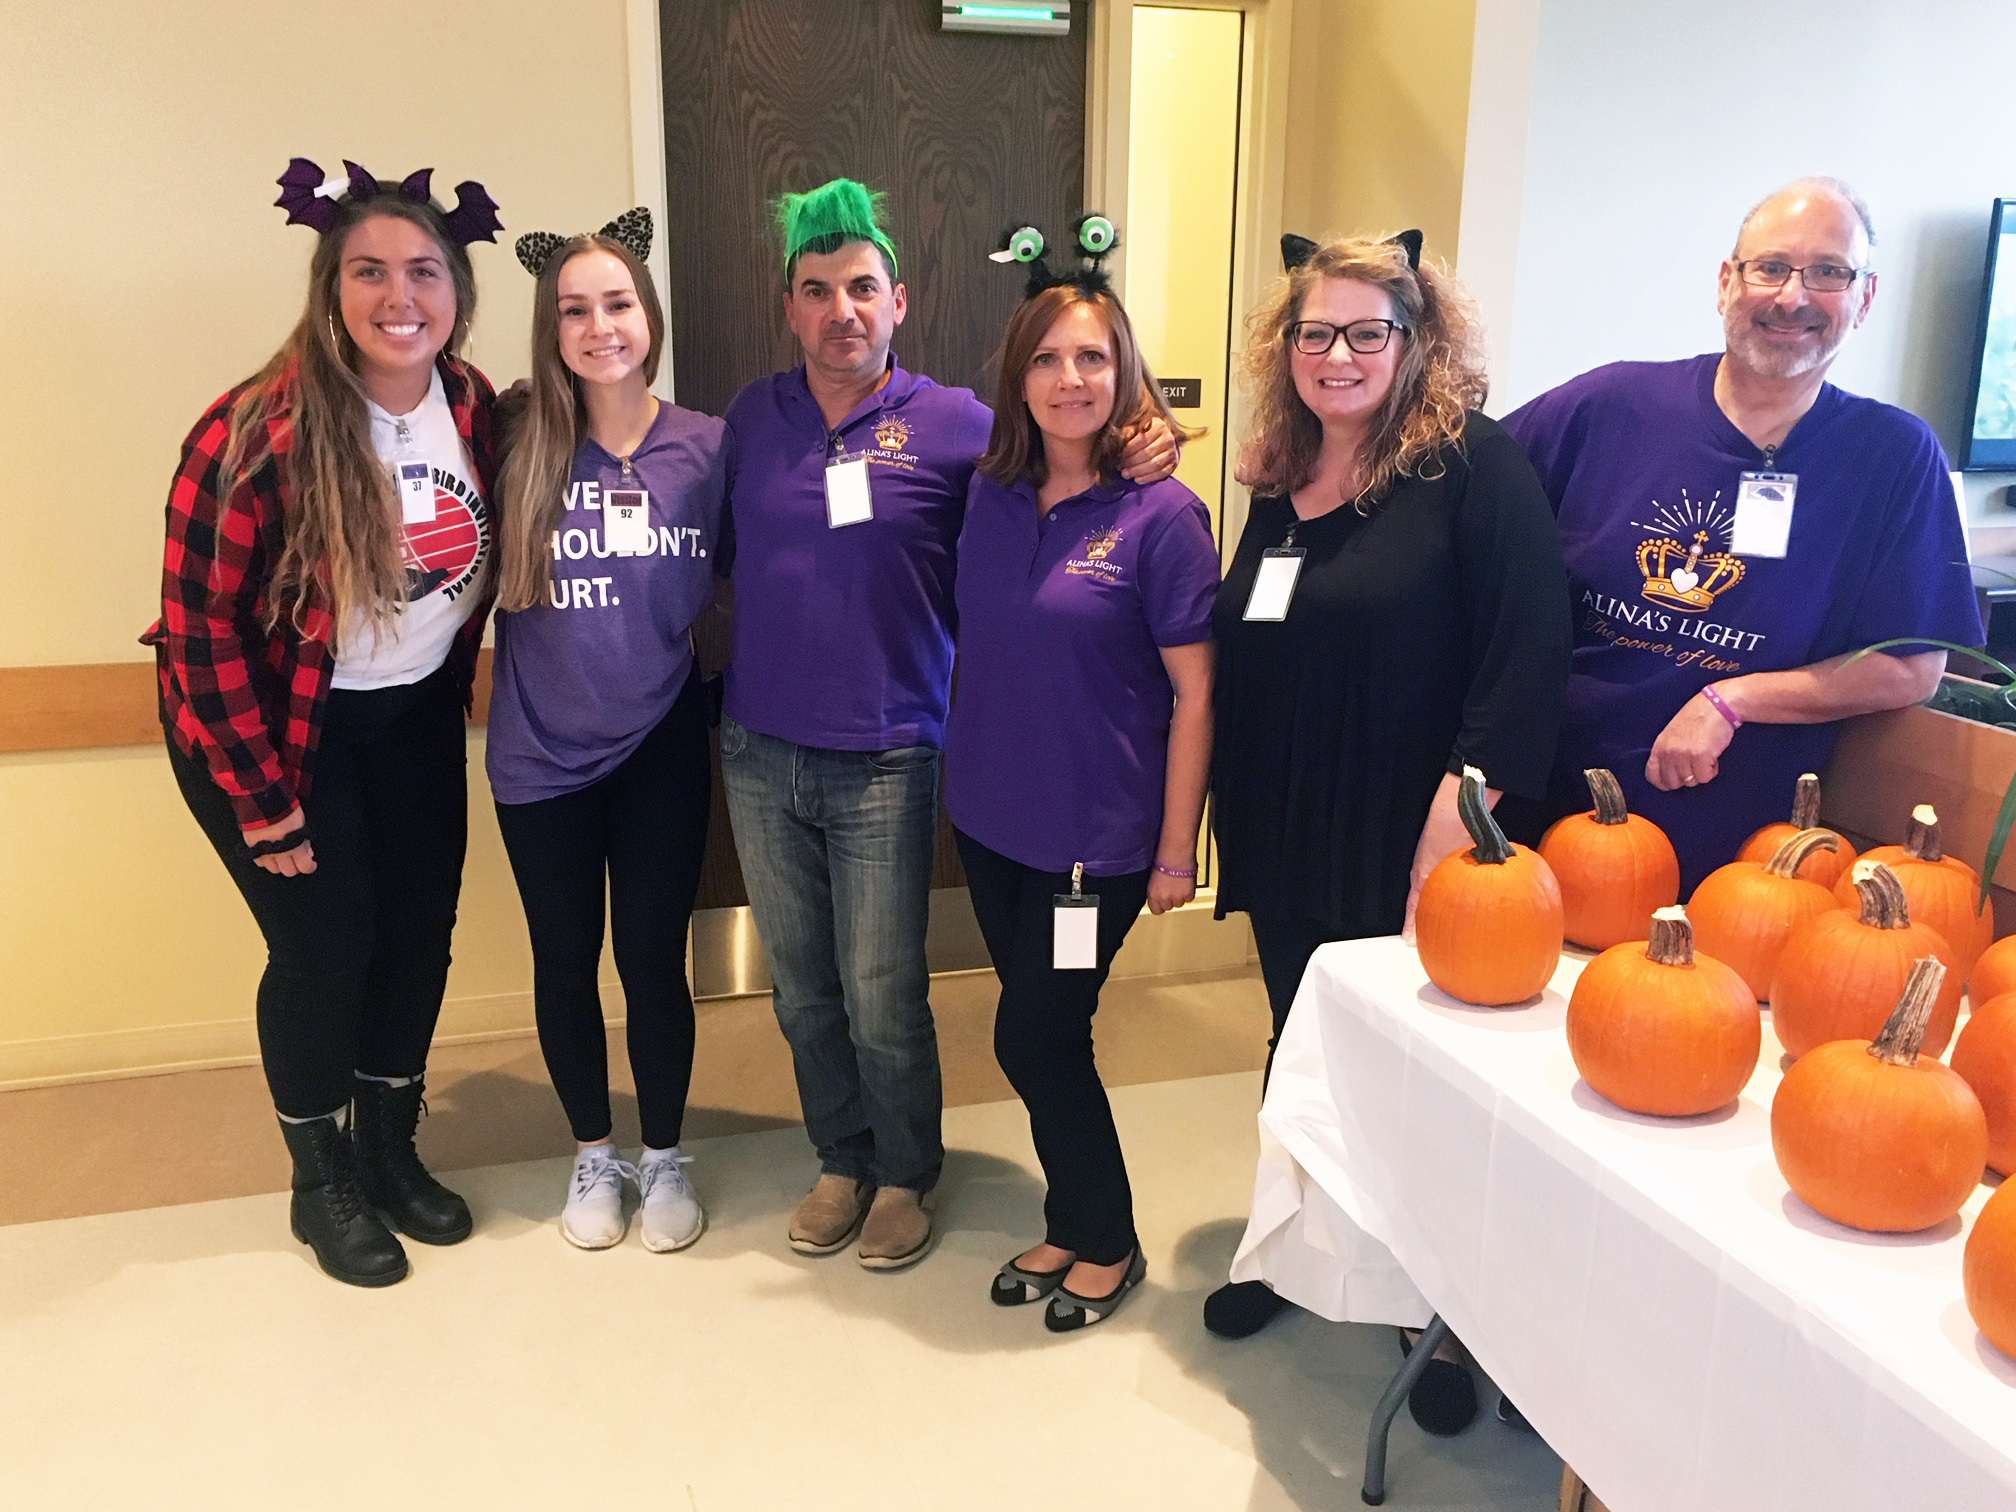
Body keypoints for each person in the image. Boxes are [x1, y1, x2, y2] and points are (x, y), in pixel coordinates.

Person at [717, 179, 1176, 1271]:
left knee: (883, 993)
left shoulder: (960, 425)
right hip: (758, 749)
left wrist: (1139, 438)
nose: (841, 311)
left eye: (861, 288)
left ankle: (904, 1174)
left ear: (901, 301)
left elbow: (1063, 466)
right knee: (802, 989)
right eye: (816, 290)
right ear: (789, 308)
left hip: (890, 752)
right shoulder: (750, 419)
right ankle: (842, 1157)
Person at [1203, 231, 1573, 1433]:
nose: (1339, 354)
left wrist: (1462, 812)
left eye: (1369, 331)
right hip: (1286, 818)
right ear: (1286, 346)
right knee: (1299, 1040)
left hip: (1409, 833)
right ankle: (1291, 1247)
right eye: (1316, 332)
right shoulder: (1282, 471)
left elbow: (1527, 651)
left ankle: (1438, 1316)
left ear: (1417, 340)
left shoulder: (1473, 468)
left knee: (1415, 1076)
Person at [143, 158, 504, 1287]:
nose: (400, 295)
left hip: (412, 716)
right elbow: (199, 632)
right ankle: (323, 1182)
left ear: (456, 292)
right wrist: (263, 801)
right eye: (370, 271)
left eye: (424, 271)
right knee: (324, 945)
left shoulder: (473, 406)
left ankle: (389, 1151)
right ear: (329, 289)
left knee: (418, 933)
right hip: (275, 729)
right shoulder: (253, 430)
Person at [1501, 177, 1982, 889]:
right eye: (1771, 267)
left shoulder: (1894, 457)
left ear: (1865, 298)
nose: (1792, 296)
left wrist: (1734, 698)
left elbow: (1911, 666)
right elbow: (1461, 496)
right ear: (1727, 282)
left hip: (1733, 861)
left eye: (1828, 272)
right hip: (1529, 813)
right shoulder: (1607, 405)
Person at [946, 227, 1219, 1331]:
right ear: (1019, 377)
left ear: (1125, 372)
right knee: (1047, 1035)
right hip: (989, 822)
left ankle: (1108, 1238)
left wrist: (1176, 850)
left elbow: (1197, 696)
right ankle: (1070, 1223)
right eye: (1049, 359)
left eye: (1094, 358)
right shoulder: (988, 493)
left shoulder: (1163, 516)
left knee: (1036, 1036)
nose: (1071, 379)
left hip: (1090, 847)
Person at [487, 209, 725, 1253]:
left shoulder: (707, 447)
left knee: (653, 960)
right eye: (573, 310)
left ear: (648, 313)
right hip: (539, 754)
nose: (599, 327)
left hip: (660, 744)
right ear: (552, 329)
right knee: (563, 961)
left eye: (617, 303)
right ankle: (595, 1151)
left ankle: (663, 1154)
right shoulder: (511, 440)